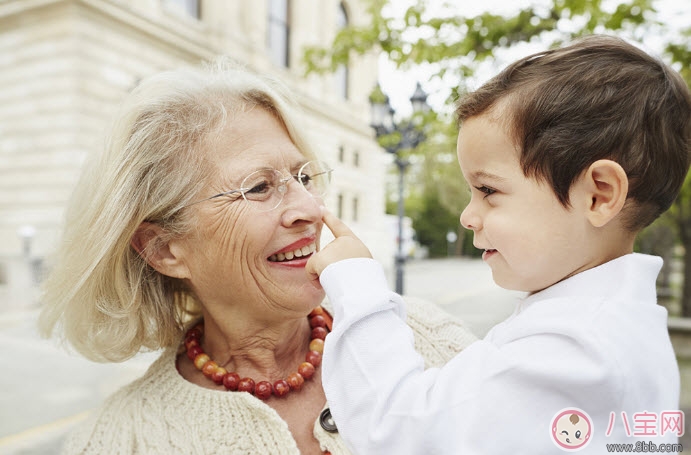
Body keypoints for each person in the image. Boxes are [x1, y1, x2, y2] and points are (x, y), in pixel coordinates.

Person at [38, 59, 478, 455]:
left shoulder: (429, 341)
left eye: (304, 176)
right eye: (260, 187)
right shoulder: (122, 440)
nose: (311, 209)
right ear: (165, 250)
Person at [306, 35, 691, 454]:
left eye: (488, 189)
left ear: (598, 195)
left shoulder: (577, 351)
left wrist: (359, 288)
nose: (467, 216)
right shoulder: (609, 327)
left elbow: (400, 431)